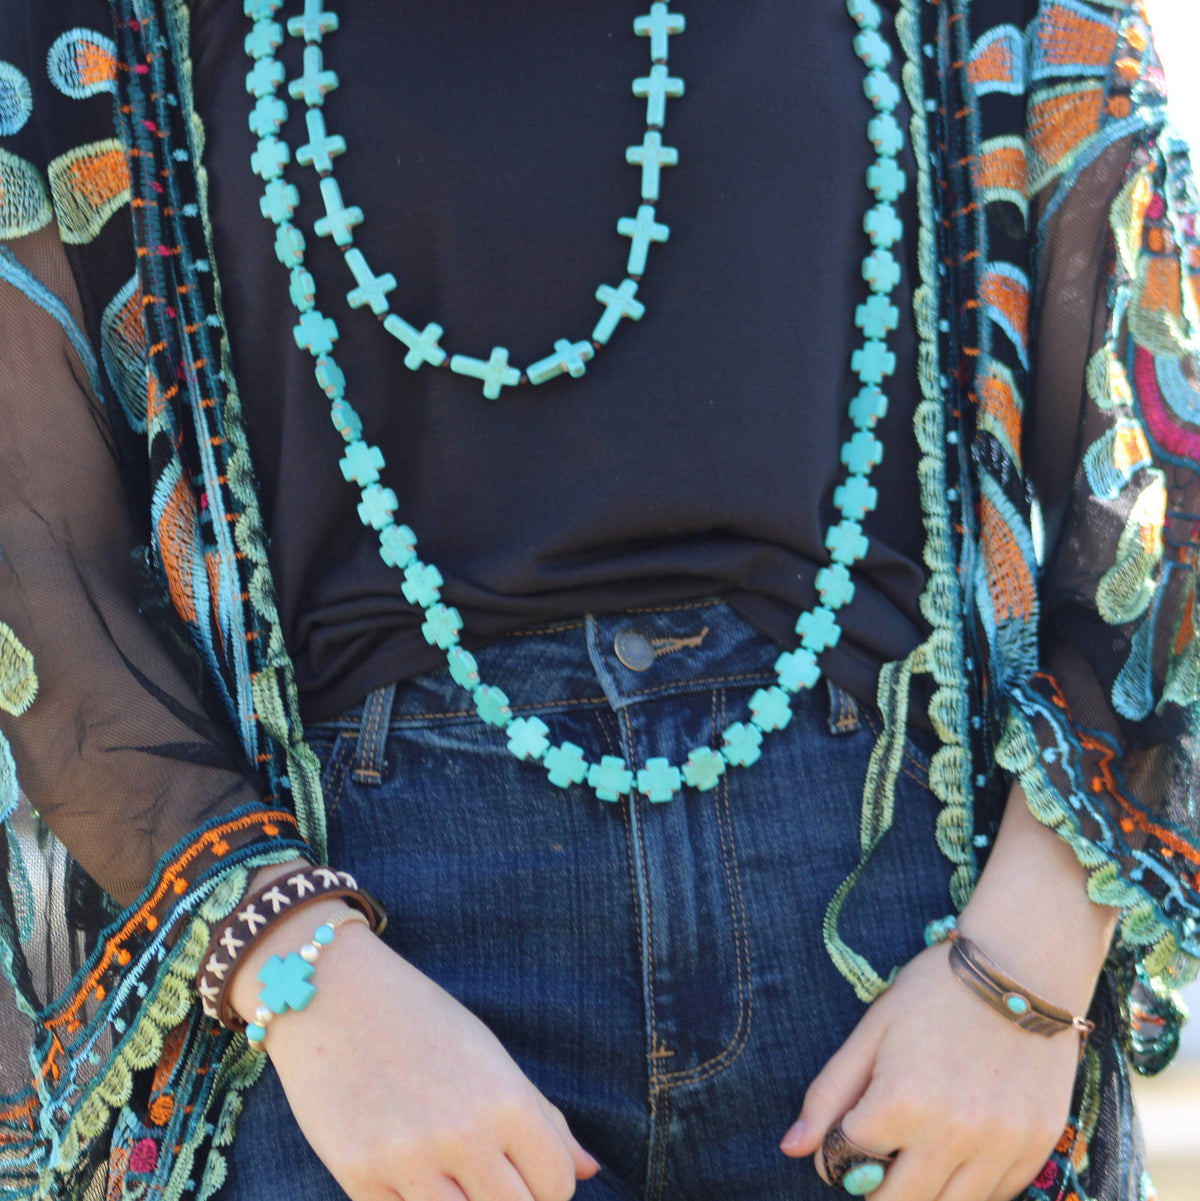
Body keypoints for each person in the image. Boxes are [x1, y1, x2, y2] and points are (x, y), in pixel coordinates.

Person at [0, 1, 1197, 1199]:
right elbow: (30, 555)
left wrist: (1029, 965)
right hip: (363, 985)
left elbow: (1160, 443)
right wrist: (298, 969)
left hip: (910, 942)